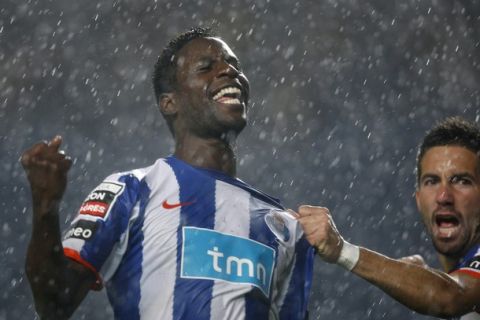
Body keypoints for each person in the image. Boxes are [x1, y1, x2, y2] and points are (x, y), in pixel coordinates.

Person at [21, 27, 314, 320]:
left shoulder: (283, 226)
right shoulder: (130, 190)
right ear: (169, 102)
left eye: (234, 65)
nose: (228, 71)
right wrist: (45, 204)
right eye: (206, 67)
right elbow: (54, 302)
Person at [297, 116, 480, 319]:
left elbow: (451, 297)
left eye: (462, 181)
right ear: (418, 199)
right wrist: (426, 278)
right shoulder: (458, 280)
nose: (444, 196)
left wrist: (342, 250)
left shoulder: (456, 293)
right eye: (432, 181)